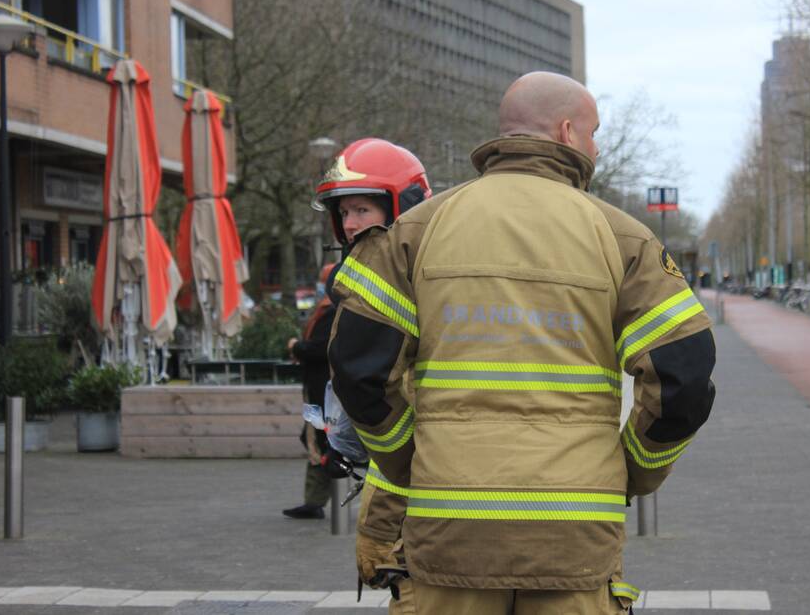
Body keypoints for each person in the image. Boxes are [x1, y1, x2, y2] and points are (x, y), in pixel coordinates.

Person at [329, 71, 716, 614]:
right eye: (594, 131)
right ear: (566, 132)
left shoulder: (413, 233)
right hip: (575, 529)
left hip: (447, 524)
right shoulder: (624, 239)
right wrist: (632, 470)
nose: (597, 146)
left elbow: (357, 368)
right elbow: (685, 379)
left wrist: (406, 462)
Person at [312, 138, 431, 613]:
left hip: (425, 486)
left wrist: (394, 450)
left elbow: (367, 382)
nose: (350, 224)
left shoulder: (407, 273)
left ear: (405, 205)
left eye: (362, 208)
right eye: (343, 212)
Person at [282, 262, 347, 520]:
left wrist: (297, 347)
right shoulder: (329, 310)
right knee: (315, 437)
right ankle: (314, 499)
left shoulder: (331, 311)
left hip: (323, 390)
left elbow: (321, 349)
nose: (320, 286)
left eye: (323, 281)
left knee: (319, 438)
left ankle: (316, 500)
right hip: (317, 388)